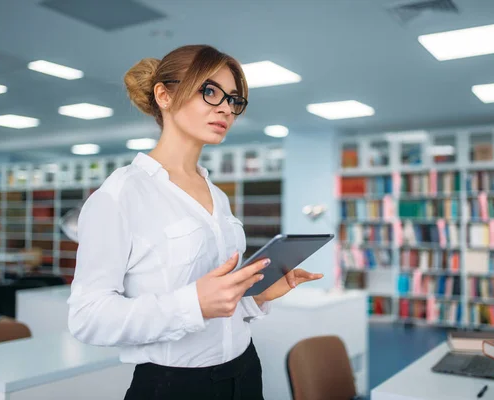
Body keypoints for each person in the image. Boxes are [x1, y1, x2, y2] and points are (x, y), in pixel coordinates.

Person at [66, 44, 323, 400]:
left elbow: (217, 304)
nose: (225, 108)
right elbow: (87, 317)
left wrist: (256, 296)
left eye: (234, 99)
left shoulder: (216, 194)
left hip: (245, 371)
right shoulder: (120, 195)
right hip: (175, 386)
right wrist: (191, 304)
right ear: (164, 95)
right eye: (210, 91)